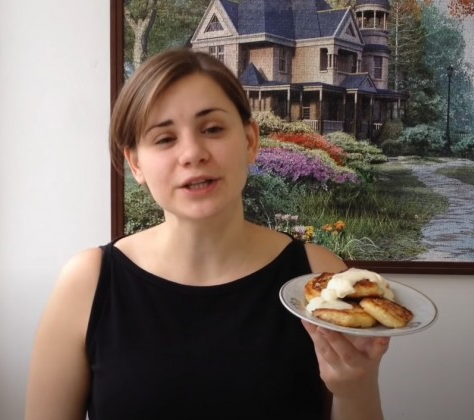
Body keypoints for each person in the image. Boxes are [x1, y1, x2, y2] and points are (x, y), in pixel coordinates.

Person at [24, 48, 390, 420]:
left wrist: (356, 386)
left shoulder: (317, 278)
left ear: (250, 140)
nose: (192, 153)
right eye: (164, 138)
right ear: (135, 163)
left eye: (212, 129)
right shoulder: (88, 282)